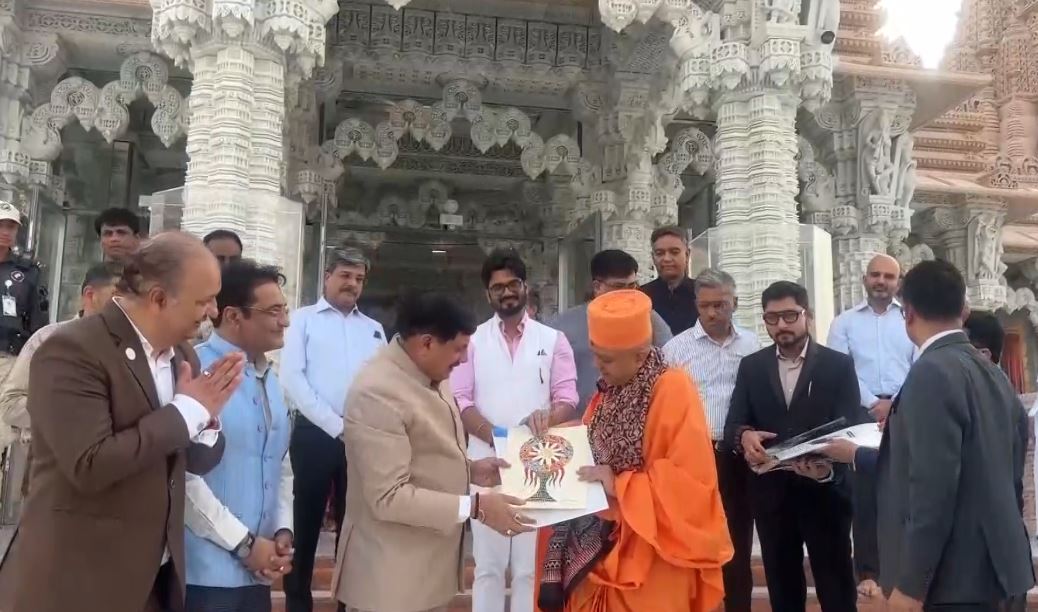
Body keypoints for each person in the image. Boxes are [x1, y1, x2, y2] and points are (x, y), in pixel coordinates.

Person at [0, 231, 241, 612]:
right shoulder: (72, 349)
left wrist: (206, 419)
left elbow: (189, 463)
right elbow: (90, 463)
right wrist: (188, 411)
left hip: (154, 583)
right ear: (159, 298)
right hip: (77, 585)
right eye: (204, 300)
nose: (213, 311)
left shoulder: (183, 357)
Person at [334, 290, 535, 612]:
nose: (464, 359)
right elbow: (389, 497)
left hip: (426, 573)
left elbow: (421, 454)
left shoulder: (429, 371)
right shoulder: (377, 392)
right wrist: (476, 507)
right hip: (391, 581)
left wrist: (471, 470)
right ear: (426, 343)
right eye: (459, 349)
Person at [536, 289, 731, 612]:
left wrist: (620, 485)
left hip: (654, 554)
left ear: (641, 356)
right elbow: (592, 440)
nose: (597, 366)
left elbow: (691, 485)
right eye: (595, 354)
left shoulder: (672, 388)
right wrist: (552, 442)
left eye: (607, 359)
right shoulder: (608, 391)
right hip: (601, 542)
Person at [874, 260, 1033, 612]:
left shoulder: (931, 372)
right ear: (963, 310)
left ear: (908, 312)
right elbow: (1013, 473)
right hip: (1000, 571)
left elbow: (932, 488)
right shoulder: (993, 373)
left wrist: (910, 586)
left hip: (953, 583)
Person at [451, 248, 578, 612]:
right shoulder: (472, 341)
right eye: (498, 287)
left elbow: (567, 397)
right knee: (488, 566)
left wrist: (548, 417)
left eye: (513, 284)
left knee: (528, 567)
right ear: (487, 294)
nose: (506, 292)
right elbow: (460, 399)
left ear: (525, 287)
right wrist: (494, 435)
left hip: (539, 463)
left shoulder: (553, 340)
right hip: (485, 461)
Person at [723, 281, 860, 612]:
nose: (780, 325)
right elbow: (733, 425)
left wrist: (827, 469)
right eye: (772, 318)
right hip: (772, 496)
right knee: (783, 592)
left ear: (807, 316)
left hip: (825, 495)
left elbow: (852, 427)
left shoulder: (837, 365)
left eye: (788, 316)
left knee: (837, 590)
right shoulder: (752, 367)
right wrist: (745, 437)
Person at [184, 259, 295, 612]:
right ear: (233, 316)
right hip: (203, 573)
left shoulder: (271, 379)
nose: (285, 321)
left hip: (258, 571)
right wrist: (244, 545)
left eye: (285, 309)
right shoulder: (193, 371)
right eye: (274, 311)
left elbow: (280, 464)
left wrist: (282, 532)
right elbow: (184, 478)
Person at [280, 247, 386, 612]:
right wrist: (334, 425)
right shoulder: (302, 320)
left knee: (354, 527)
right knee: (305, 524)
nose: (352, 284)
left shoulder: (374, 331)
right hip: (313, 434)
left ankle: (348, 603)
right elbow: (292, 378)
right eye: (345, 275)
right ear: (327, 276)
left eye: (359, 279)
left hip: (361, 437)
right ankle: (297, 602)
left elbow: (383, 384)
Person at [662, 267, 759, 612]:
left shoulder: (753, 346)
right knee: (692, 544)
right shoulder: (675, 350)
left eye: (721, 304)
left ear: (736, 302)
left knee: (736, 543)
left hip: (735, 456)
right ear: (696, 306)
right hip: (692, 459)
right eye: (705, 306)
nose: (713, 312)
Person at [826, 253, 915, 597]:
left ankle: (905, 567)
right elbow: (840, 368)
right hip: (860, 413)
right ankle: (867, 570)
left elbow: (920, 362)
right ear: (865, 279)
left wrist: (895, 403)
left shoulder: (908, 320)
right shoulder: (844, 322)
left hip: (906, 408)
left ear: (898, 282)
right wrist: (873, 405)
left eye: (888, 276)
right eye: (875, 275)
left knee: (902, 484)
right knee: (863, 492)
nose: (881, 281)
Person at [0, 262, 121, 504]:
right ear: (90, 295)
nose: (126, 309)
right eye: (117, 299)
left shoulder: (132, 350)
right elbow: (9, 404)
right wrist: (68, 412)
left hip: (112, 480)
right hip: (50, 476)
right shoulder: (48, 341)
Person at [548, 249, 672, 413]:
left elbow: (670, 358)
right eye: (619, 287)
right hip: (579, 423)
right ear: (597, 286)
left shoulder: (648, 318)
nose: (627, 294)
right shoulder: (563, 326)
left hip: (634, 422)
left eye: (632, 286)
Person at [0, 201, 48, 397]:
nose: (5, 231)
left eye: (10, 227)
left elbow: (38, 317)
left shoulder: (27, 271)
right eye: (0, 225)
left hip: (9, 358)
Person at [639, 226, 698, 336]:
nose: (666, 258)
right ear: (653, 257)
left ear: (687, 254)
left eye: (674, 252)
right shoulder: (641, 297)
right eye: (660, 253)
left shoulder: (702, 293)